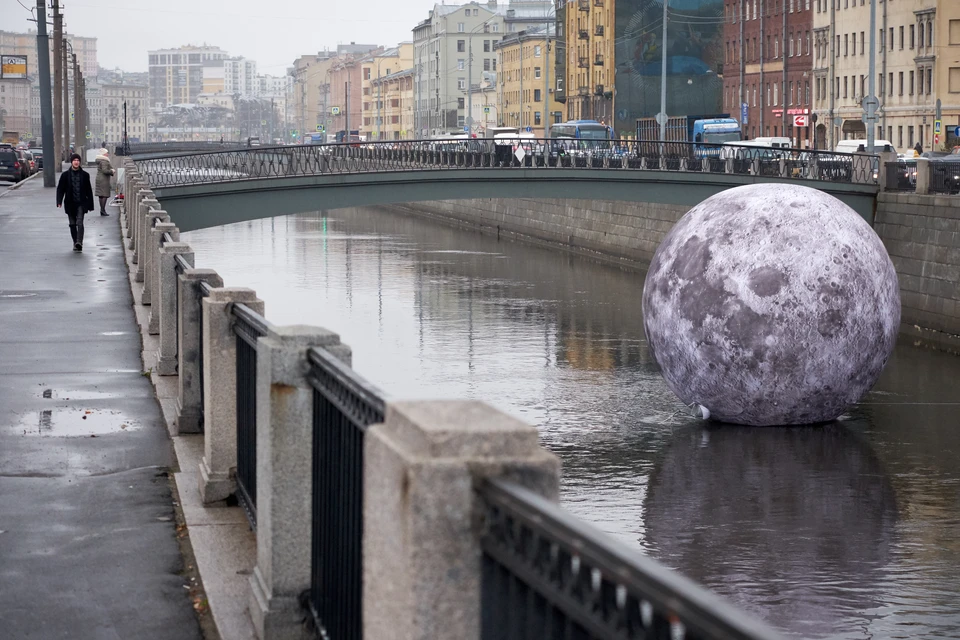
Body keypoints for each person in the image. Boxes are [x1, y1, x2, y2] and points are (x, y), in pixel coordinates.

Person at [56, 153, 95, 252]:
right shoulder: (65, 175)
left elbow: (89, 190)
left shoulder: (85, 175)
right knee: (72, 224)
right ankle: (75, 242)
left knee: (80, 223)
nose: (76, 162)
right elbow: (60, 189)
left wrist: (90, 204)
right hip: (70, 203)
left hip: (81, 203)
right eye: (74, 160)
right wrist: (59, 201)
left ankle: (79, 242)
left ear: (80, 162)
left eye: (78, 160)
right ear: (72, 162)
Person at [94, 147, 114, 216]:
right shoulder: (104, 161)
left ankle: (102, 210)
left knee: (101, 195)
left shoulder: (100, 160)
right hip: (103, 179)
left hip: (99, 178)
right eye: (106, 153)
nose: (107, 154)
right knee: (104, 195)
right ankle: (103, 210)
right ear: (104, 154)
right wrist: (111, 171)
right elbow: (105, 171)